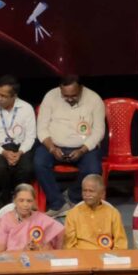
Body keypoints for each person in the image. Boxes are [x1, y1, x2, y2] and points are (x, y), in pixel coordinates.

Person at [34, 74, 105, 218]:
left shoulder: (94, 99)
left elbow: (99, 131)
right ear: (60, 89)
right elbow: (41, 128)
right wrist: (52, 148)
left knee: (94, 169)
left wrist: (82, 150)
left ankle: (72, 196)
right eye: (66, 96)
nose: (70, 99)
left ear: (81, 88)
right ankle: (58, 204)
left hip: (84, 147)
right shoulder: (50, 96)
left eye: (74, 95)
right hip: (54, 145)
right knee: (38, 163)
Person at [0, 75, 36, 210]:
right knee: (0, 167)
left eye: (4, 96)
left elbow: (30, 137)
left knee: (27, 168)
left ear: (14, 96)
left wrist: (20, 152)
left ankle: (19, 197)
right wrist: (4, 153)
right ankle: (4, 199)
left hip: (20, 147)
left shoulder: (26, 108)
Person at [64, 174, 128, 250]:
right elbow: (69, 245)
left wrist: (113, 256)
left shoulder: (113, 213)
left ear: (102, 193)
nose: (87, 194)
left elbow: (120, 243)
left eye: (91, 191)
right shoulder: (73, 214)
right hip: (80, 255)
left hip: (106, 255)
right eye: (84, 190)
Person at [0, 183, 63, 252]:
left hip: (38, 258)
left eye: (29, 201)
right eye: (21, 200)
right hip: (14, 258)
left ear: (34, 202)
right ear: (14, 200)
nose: (25, 204)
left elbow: (60, 235)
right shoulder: (5, 220)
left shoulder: (42, 219)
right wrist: (23, 251)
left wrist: (40, 248)